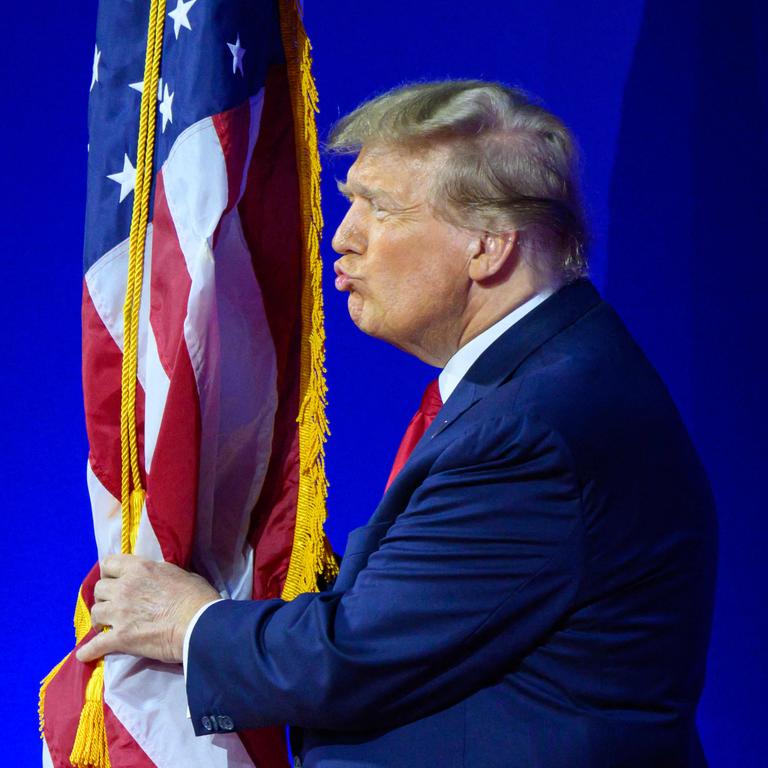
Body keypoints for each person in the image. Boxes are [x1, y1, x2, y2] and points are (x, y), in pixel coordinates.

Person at [76, 80, 717, 767]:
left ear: (488, 246)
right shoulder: (542, 378)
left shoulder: (536, 430)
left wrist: (188, 625)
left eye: (377, 209)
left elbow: (354, 657)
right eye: (350, 202)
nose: (342, 238)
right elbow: (432, 619)